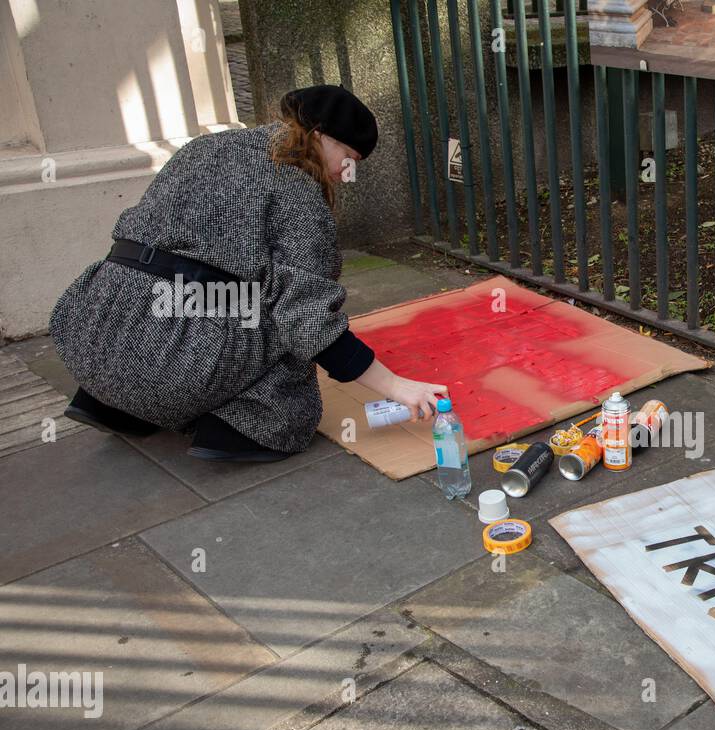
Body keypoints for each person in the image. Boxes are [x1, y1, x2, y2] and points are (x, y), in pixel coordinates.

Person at [49, 84, 445, 463]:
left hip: (94, 333)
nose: (346, 175)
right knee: (278, 318)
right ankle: (239, 428)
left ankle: (109, 404)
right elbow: (307, 317)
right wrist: (394, 386)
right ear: (320, 135)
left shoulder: (203, 146)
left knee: (209, 294)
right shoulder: (297, 190)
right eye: (349, 159)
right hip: (171, 363)